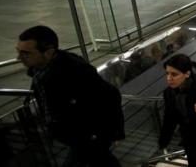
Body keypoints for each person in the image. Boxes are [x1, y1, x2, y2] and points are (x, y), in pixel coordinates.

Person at [16, 26, 125, 167]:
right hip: (72, 136)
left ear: (48, 52)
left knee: (97, 159)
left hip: (88, 136)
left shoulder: (75, 71)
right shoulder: (40, 70)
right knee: (102, 160)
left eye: (26, 53)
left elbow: (111, 95)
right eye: (18, 51)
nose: (19, 58)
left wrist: (116, 133)